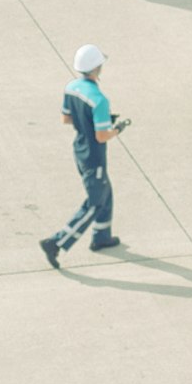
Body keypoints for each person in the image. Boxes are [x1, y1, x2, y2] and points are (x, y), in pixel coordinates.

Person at [40, 42, 125, 264]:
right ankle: (57, 242)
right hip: (94, 156)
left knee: (106, 191)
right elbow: (101, 136)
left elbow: (66, 119)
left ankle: (102, 236)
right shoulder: (99, 100)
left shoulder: (71, 88)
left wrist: (88, 122)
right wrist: (116, 129)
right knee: (95, 202)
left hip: (79, 149)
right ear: (97, 68)